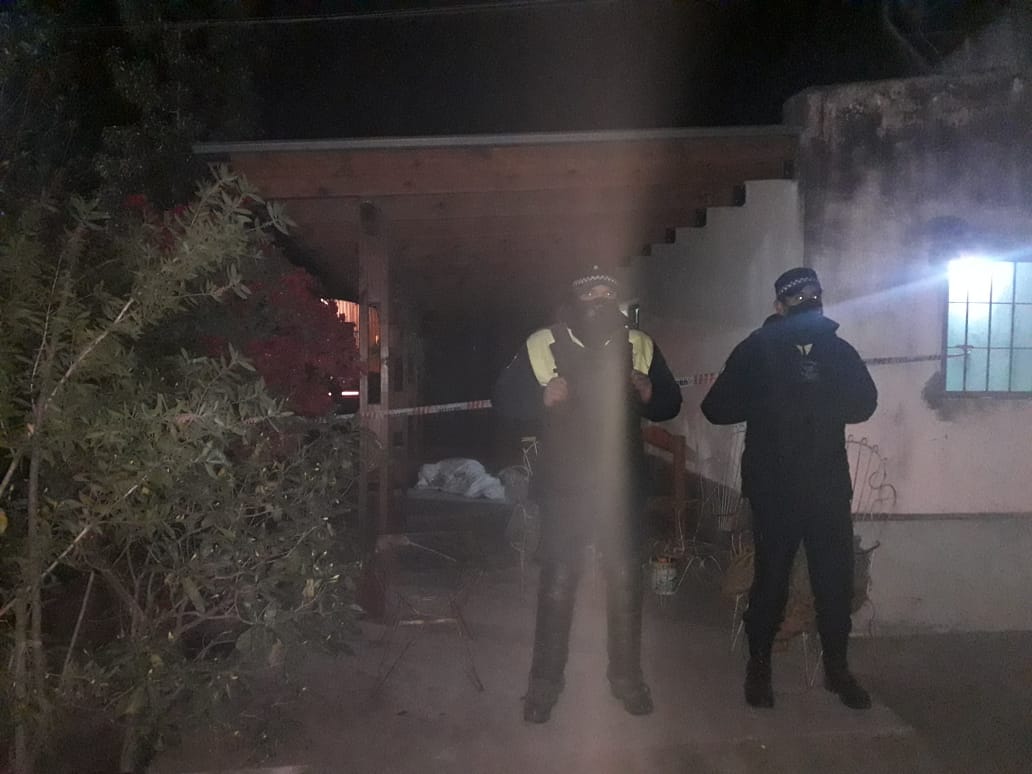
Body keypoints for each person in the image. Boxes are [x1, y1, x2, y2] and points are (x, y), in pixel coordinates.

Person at [493, 264, 682, 723]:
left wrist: (650, 392)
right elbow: (503, 399)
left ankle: (626, 680)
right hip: (564, 486)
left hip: (622, 485)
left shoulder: (639, 344)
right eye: (588, 293)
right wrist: (541, 398)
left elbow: (671, 403)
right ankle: (544, 685)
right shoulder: (543, 342)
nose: (598, 300)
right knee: (559, 582)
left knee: (625, 582)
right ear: (573, 298)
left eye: (605, 293)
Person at [701, 267, 877, 710]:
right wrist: (771, 393)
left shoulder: (837, 350)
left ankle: (837, 670)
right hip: (774, 488)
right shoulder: (756, 349)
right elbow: (715, 408)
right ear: (778, 306)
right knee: (771, 581)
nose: (807, 303)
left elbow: (865, 404)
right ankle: (758, 667)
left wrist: (820, 392)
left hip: (827, 486)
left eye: (813, 295)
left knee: (834, 582)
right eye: (797, 298)